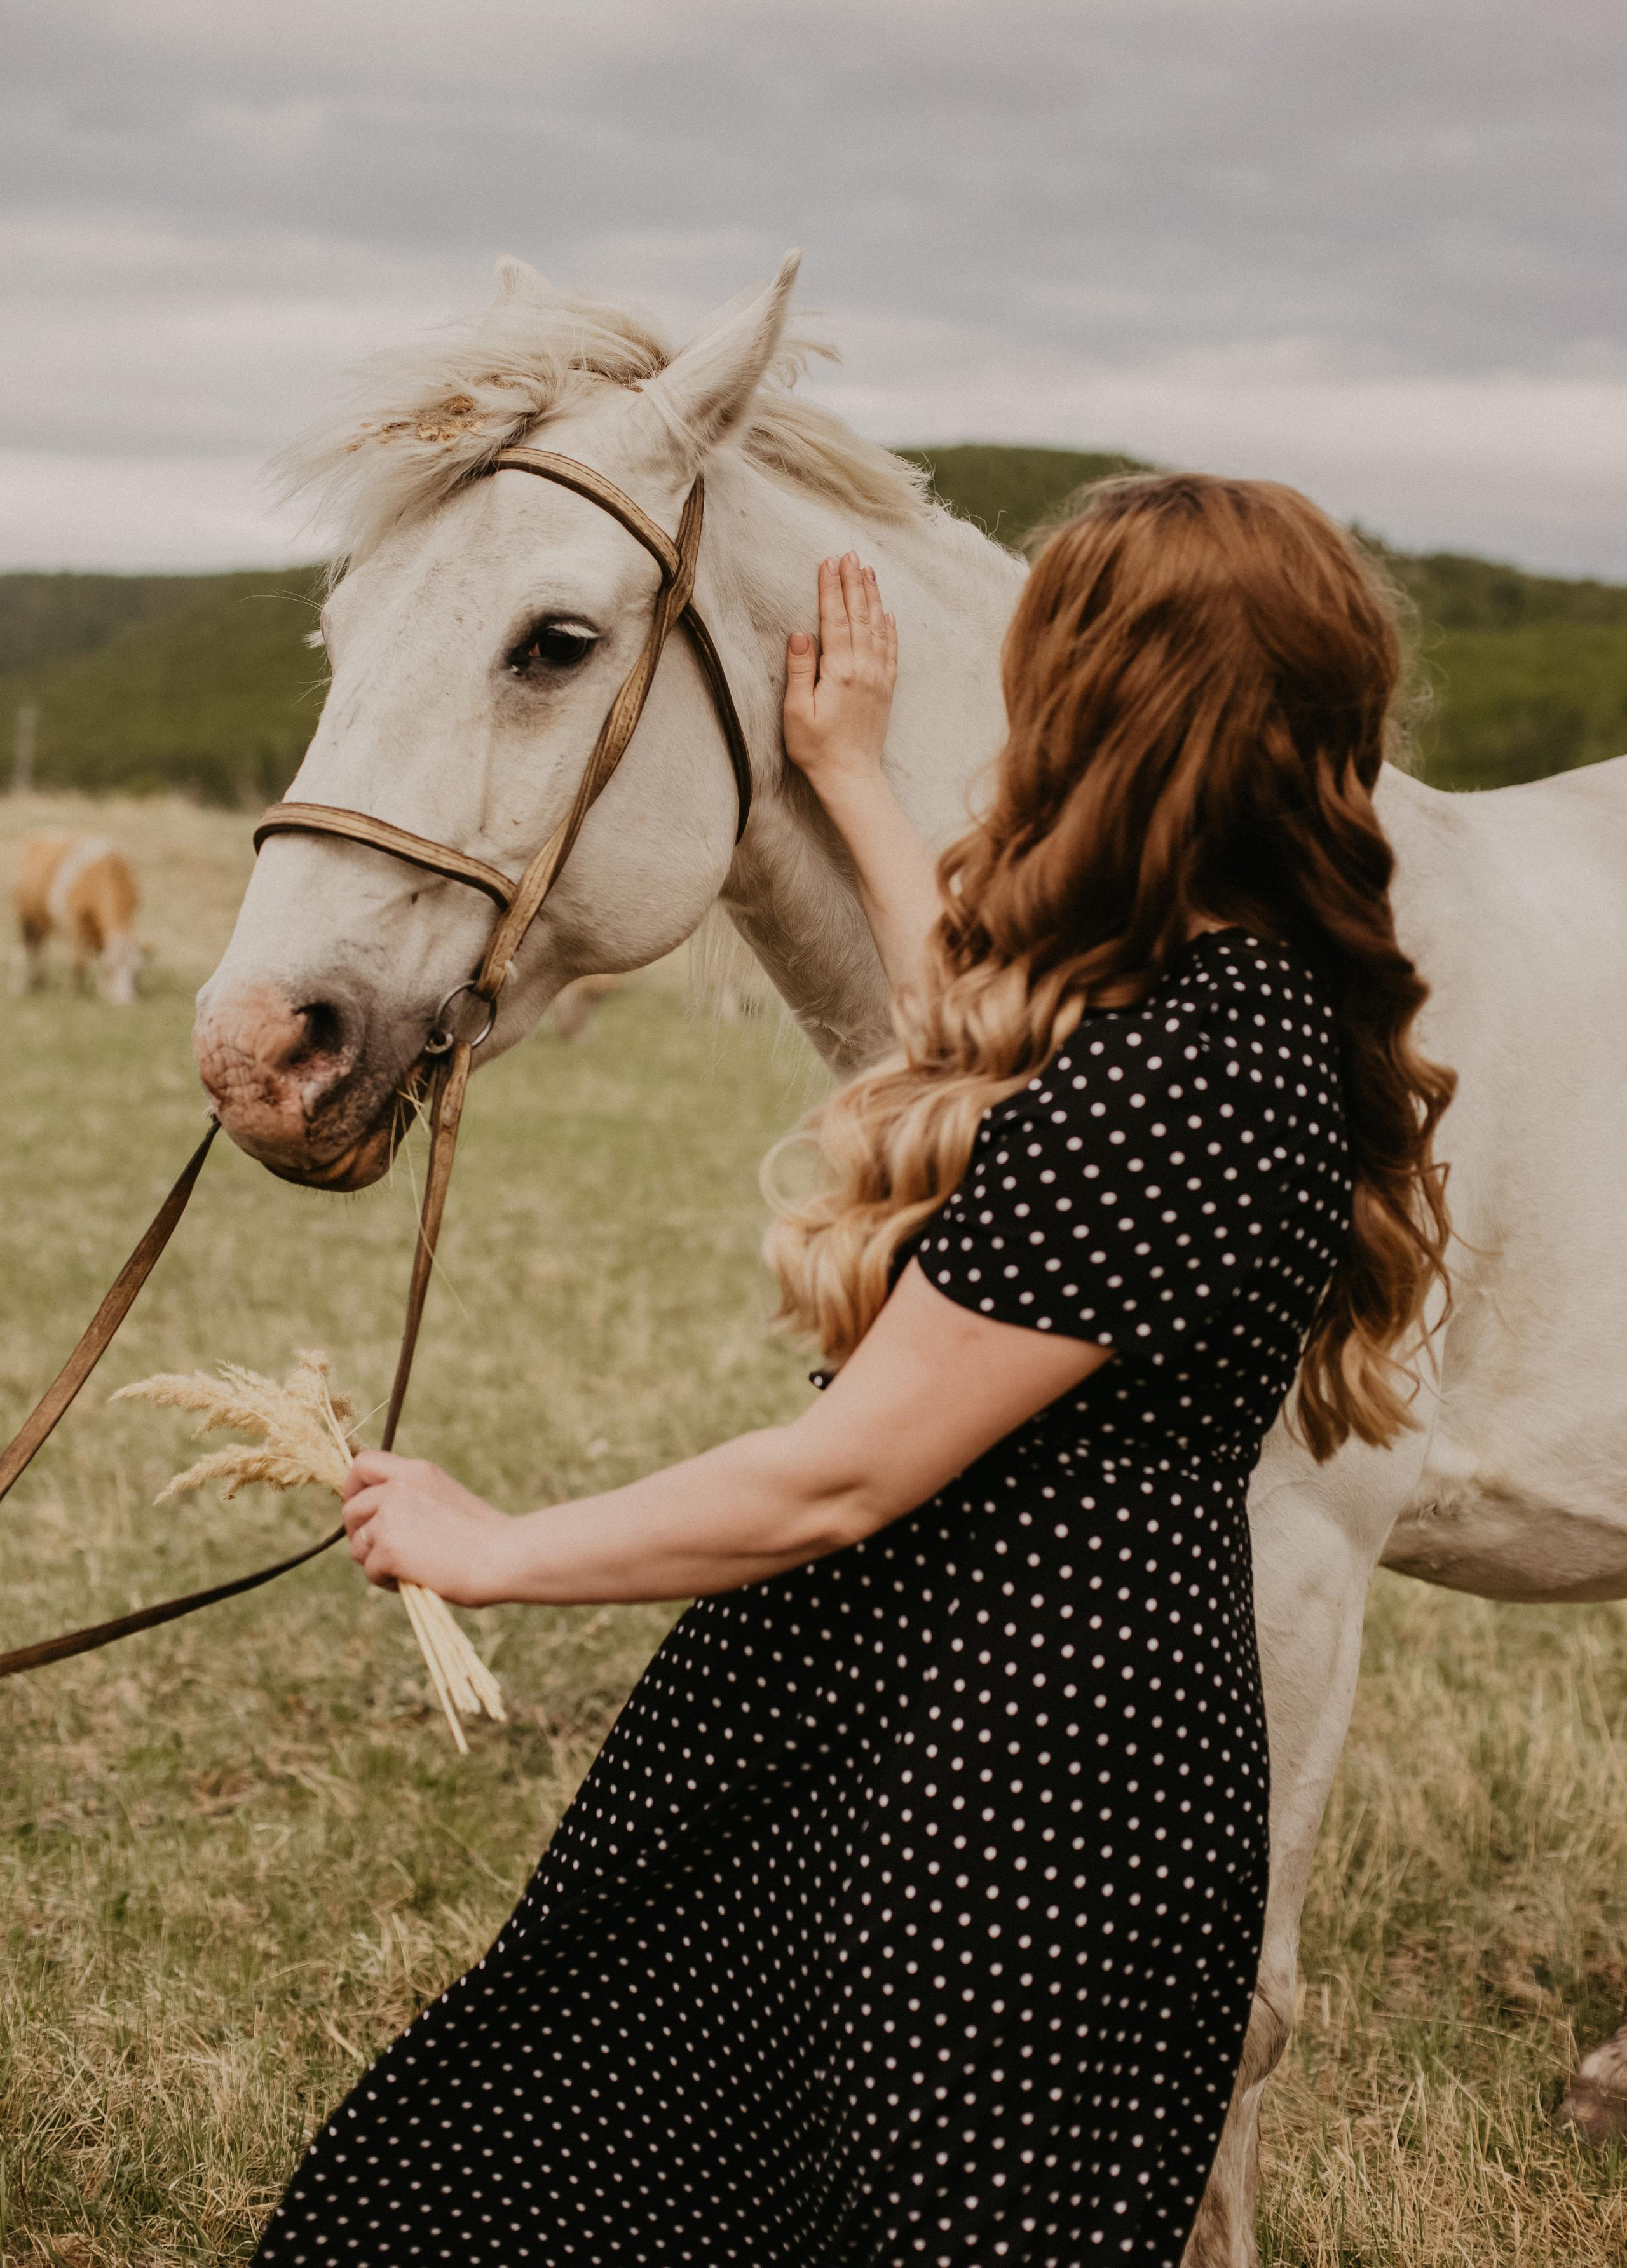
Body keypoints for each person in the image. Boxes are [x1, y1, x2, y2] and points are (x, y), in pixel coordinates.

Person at [254, 474, 1453, 2268]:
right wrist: (858, 783)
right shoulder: (1241, 1015)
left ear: (1104, 709)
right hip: (1008, 1750)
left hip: (993, 1801)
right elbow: (1004, 1100)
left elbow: (848, 1475)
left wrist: (494, 1544)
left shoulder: (1176, 1080)